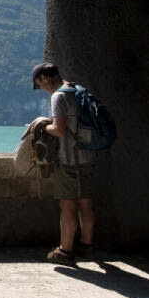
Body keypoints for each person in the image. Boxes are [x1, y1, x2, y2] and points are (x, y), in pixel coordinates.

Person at [31, 62, 96, 265]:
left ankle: (65, 250)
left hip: (69, 160)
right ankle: (86, 244)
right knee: (86, 203)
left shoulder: (59, 95)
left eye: (38, 84)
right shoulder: (78, 90)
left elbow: (59, 130)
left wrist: (43, 126)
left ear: (45, 78)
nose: (41, 89)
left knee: (67, 204)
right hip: (88, 157)